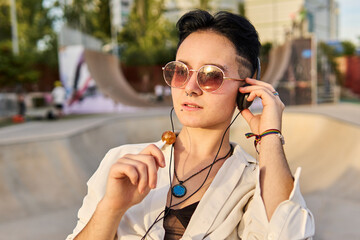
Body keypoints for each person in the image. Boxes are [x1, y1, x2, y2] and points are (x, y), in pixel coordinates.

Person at [67, 10, 314, 240]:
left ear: (245, 88)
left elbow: (287, 232)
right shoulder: (122, 163)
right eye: (180, 71)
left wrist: (270, 135)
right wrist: (111, 207)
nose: (190, 88)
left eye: (211, 75)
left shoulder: (254, 184)